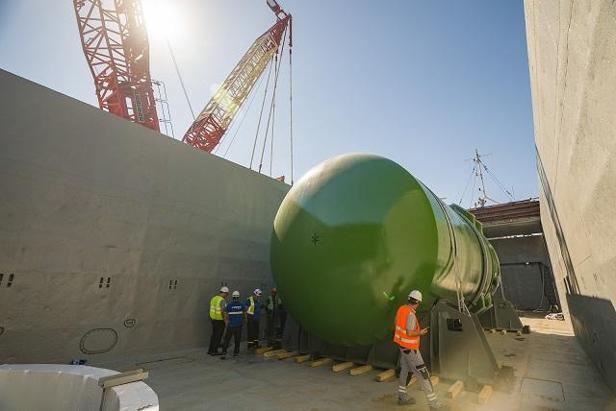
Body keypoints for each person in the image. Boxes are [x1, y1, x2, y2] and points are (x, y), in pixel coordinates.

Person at [393, 290, 445, 410]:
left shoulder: (402, 309)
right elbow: (410, 332)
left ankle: (402, 397)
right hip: (411, 349)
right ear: (417, 303)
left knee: (405, 371)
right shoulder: (410, 314)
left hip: (402, 346)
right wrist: (420, 332)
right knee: (423, 374)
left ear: (409, 299)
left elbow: (397, 322)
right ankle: (434, 404)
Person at [220, 291, 246, 359]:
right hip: (238, 326)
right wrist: (245, 320)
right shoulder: (241, 305)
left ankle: (224, 353)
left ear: (233, 297)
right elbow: (245, 312)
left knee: (227, 340)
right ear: (238, 297)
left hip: (231, 326)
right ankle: (236, 353)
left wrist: (226, 321)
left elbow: (225, 313)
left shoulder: (229, 305)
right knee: (237, 340)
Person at [208, 286, 228, 356]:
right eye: (226, 294)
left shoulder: (214, 298)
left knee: (214, 335)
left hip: (213, 320)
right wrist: (226, 321)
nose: (226, 296)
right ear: (224, 293)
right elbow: (223, 312)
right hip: (219, 321)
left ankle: (210, 350)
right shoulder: (222, 300)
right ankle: (214, 351)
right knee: (218, 336)